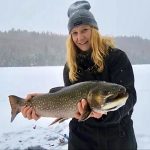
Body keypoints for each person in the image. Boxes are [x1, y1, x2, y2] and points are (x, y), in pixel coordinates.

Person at [21, 1, 137, 150]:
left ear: (94, 30)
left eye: (84, 30)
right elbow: (65, 98)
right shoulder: (70, 67)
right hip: (82, 140)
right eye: (74, 33)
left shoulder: (116, 57)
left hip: (118, 139)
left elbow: (130, 96)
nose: (80, 37)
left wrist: (104, 115)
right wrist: (39, 105)